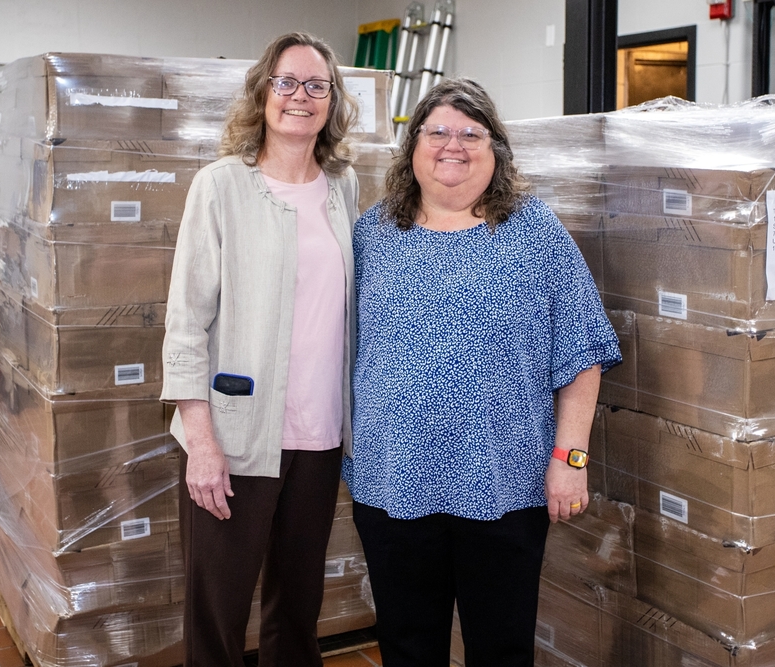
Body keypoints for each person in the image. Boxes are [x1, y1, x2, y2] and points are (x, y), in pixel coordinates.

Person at [343, 77, 622, 667]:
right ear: (412, 146)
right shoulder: (372, 233)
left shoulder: (534, 232)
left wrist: (570, 460)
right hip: (393, 480)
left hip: (504, 484)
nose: (454, 145)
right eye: (438, 131)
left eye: (472, 133)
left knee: (501, 647)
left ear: (496, 151)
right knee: (406, 645)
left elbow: (582, 351)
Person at [161, 32, 359, 667]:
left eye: (316, 86)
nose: (300, 97)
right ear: (263, 94)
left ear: (332, 100)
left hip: (320, 434)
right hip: (236, 435)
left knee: (297, 613)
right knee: (217, 615)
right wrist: (202, 441)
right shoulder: (221, 187)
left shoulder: (344, 189)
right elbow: (186, 322)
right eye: (286, 83)